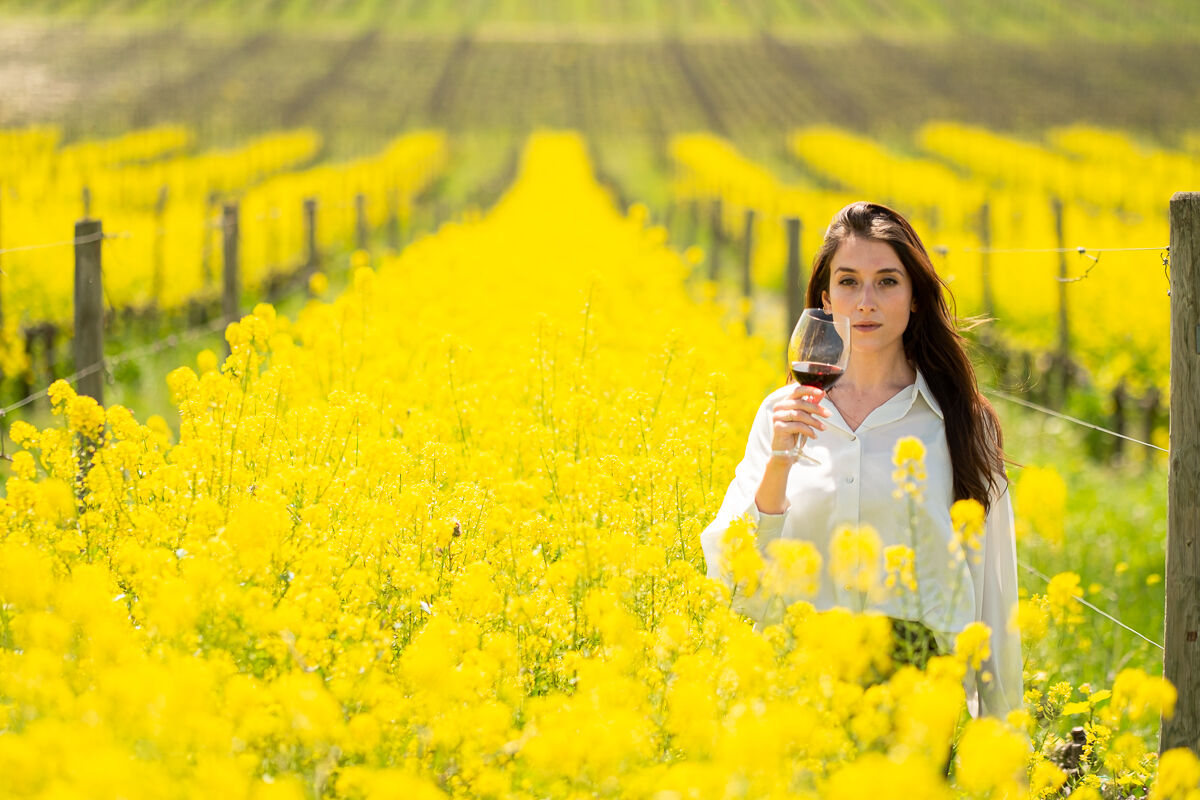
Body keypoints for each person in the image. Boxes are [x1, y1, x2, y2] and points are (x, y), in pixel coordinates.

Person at [700, 201, 1022, 718]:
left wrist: (1003, 735)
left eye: (887, 282)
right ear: (826, 299)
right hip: (796, 689)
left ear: (915, 299)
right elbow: (736, 580)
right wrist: (780, 462)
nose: (866, 302)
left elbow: (993, 589)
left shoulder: (961, 423)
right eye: (849, 282)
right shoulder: (781, 413)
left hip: (915, 701)